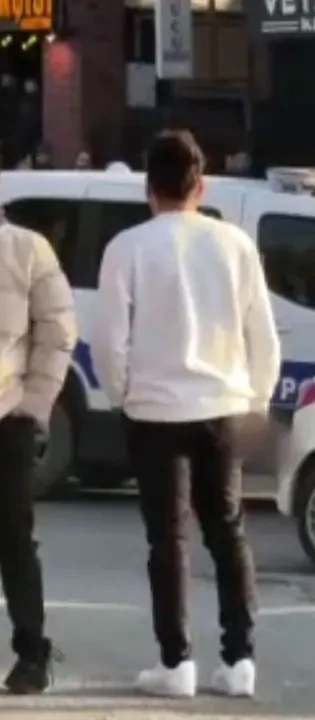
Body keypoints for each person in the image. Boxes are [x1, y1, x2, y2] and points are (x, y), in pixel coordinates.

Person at [92, 130, 280, 699]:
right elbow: (263, 335)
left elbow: (108, 340)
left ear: (148, 188)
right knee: (228, 530)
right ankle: (239, 660)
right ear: (201, 186)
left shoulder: (127, 247)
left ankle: (176, 664)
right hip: (224, 404)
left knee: (168, 537)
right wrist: (258, 399)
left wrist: (124, 394)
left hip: (155, 408)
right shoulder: (235, 245)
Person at [0, 190, 77, 694]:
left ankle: (32, 652)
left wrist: (34, 403)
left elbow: (57, 331)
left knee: (14, 539)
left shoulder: (24, 249)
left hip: (8, 418)